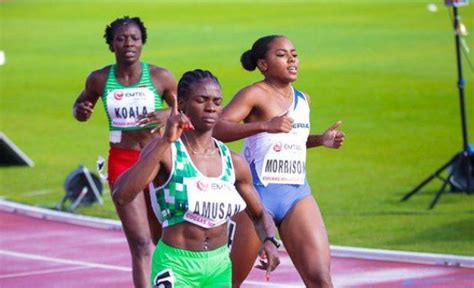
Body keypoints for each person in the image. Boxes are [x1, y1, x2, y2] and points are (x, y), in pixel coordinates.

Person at [112, 69, 280, 287]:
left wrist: (269, 240)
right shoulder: (167, 152)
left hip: (219, 266)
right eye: (202, 100)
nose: (211, 107)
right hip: (176, 265)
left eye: (217, 101)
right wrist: (165, 141)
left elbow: (259, 215)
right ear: (181, 104)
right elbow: (122, 195)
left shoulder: (233, 162)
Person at [213, 35, 345, 288]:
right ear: (263, 64)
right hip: (256, 196)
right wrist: (265, 125)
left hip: (297, 194)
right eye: (282, 54)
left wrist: (321, 140)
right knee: (227, 282)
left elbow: (291, 140)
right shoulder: (254, 94)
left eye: (294, 53)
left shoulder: (303, 99)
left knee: (320, 279)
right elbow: (217, 129)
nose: (292, 59)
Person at [72, 16, 177, 288]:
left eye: (134, 38)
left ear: (142, 43)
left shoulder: (159, 77)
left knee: (164, 238)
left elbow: (188, 111)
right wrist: (81, 111)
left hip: (158, 162)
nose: (128, 43)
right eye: (121, 38)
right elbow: (81, 107)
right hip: (123, 162)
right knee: (141, 244)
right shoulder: (99, 79)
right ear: (111, 45)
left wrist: (166, 113)